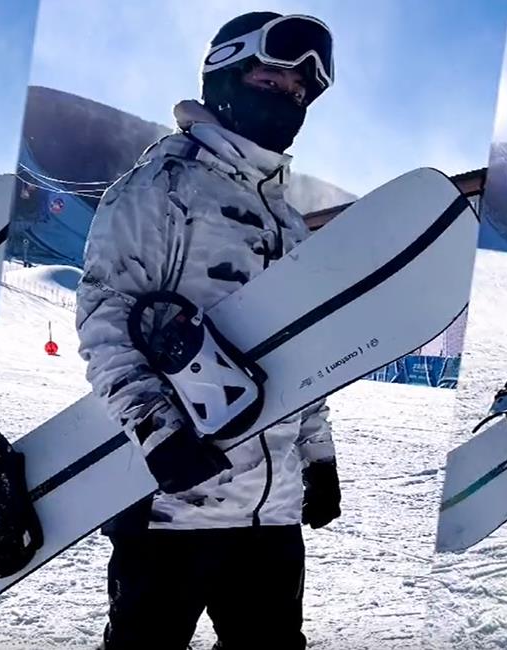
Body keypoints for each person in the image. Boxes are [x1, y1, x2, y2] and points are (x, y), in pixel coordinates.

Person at [76, 12, 341, 650]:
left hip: (271, 514)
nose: (287, 100)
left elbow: (300, 354)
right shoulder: (160, 187)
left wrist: (318, 457)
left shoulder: (288, 220)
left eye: (298, 92)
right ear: (223, 78)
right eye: (271, 82)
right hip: (171, 508)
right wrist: (158, 433)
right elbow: (106, 319)